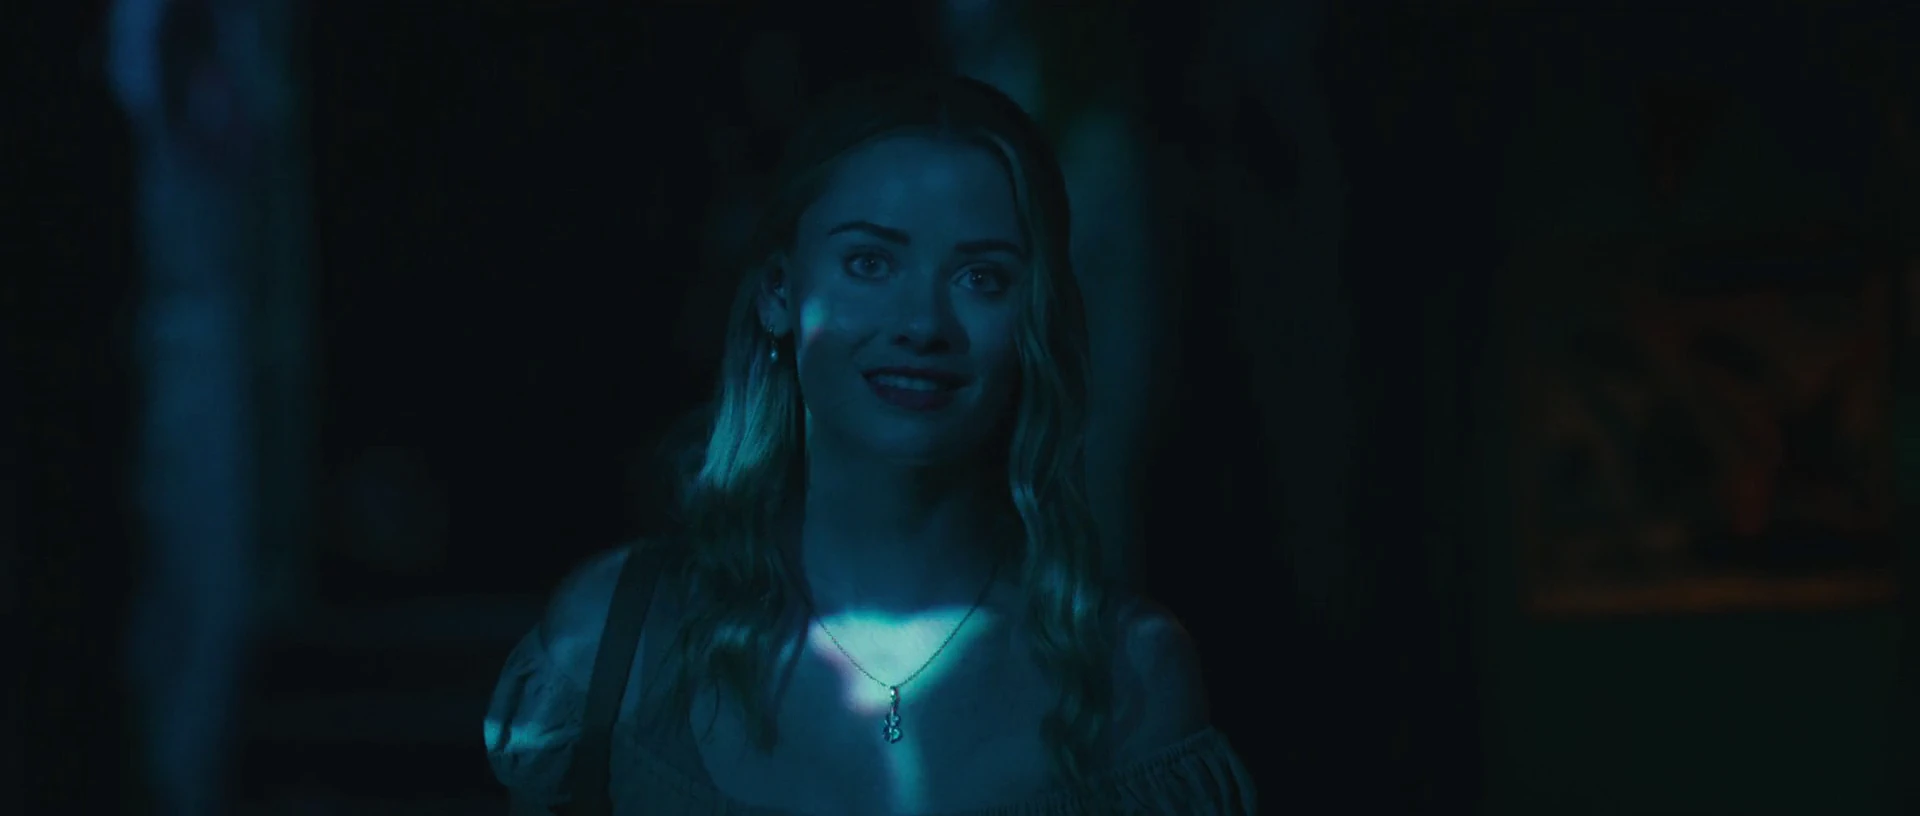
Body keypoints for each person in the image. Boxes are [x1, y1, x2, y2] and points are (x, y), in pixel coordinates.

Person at [484, 73, 1256, 815]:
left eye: (981, 277)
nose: (922, 323)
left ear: (1035, 319)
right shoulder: (612, 642)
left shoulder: (1130, 678)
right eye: (870, 262)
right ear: (778, 292)